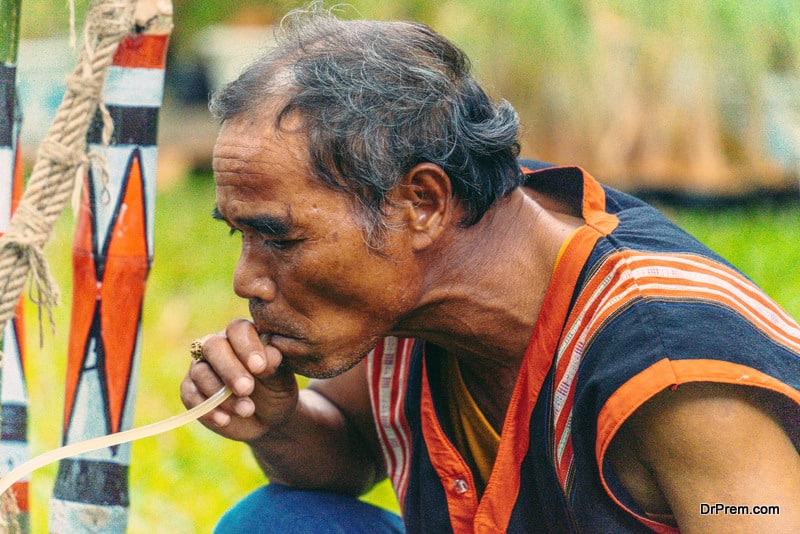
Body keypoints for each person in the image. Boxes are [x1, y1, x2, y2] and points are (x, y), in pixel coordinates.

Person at [180, 5, 800, 533]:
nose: (246, 280)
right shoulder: (427, 274)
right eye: (241, 234)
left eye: (279, 237)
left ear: (421, 203)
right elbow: (350, 441)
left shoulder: (673, 370)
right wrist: (279, 420)